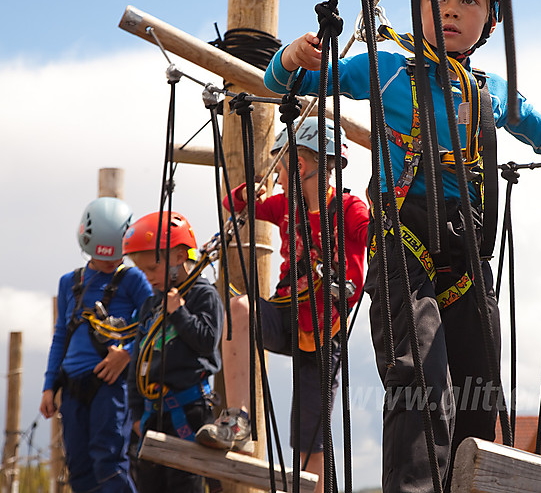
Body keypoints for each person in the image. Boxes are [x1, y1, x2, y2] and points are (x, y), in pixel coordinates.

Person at [264, 0, 541, 490]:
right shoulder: (384, 68)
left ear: (490, 17)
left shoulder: (491, 90)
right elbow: (287, 82)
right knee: (419, 381)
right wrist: (291, 56)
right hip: (402, 248)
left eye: (469, 1)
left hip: (468, 257)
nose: (452, 11)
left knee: (480, 392)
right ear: (417, 6)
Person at [194, 117, 369, 492]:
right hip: (286, 315)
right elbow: (232, 204)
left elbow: (373, 234)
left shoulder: (349, 208)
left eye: (283, 164)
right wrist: (249, 192)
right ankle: (237, 419)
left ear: (300, 166)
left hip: (325, 331)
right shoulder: (284, 206)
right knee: (241, 308)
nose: (281, 173)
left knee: (310, 439)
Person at [40, 197, 152, 493]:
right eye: (104, 258)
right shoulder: (70, 283)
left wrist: (127, 355)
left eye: (116, 256)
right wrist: (49, 386)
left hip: (112, 386)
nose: (111, 262)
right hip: (73, 388)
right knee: (79, 465)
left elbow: (154, 325)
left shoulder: (134, 280)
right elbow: (61, 336)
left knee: (109, 460)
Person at [123, 211, 223, 493]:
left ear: (180, 257)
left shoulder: (203, 296)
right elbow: (138, 363)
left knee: (184, 485)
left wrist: (179, 312)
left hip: (189, 411)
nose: (148, 278)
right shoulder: (150, 307)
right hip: (152, 414)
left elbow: (207, 342)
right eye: (142, 271)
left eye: (152, 269)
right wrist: (135, 415)